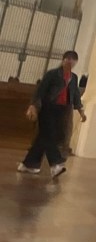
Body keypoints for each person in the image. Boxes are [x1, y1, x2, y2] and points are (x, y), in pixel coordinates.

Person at [18, 51, 87, 179]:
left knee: (43, 137)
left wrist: (81, 110)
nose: (70, 63)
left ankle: (28, 164)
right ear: (63, 60)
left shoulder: (74, 78)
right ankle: (56, 165)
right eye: (68, 60)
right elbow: (40, 90)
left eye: (73, 61)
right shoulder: (52, 74)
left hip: (62, 111)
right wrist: (33, 105)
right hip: (48, 108)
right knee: (50, 136)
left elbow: (76, 95)